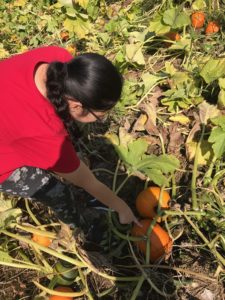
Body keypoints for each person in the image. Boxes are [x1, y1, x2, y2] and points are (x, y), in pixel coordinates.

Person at [0, 45, 140, 229]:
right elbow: (86, 181)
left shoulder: (58, 57)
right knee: (57, 192)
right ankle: (80, 228)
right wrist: (122, 208)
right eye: (101, 115)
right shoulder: (46, 131)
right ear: (75, 105)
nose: (104, 118)